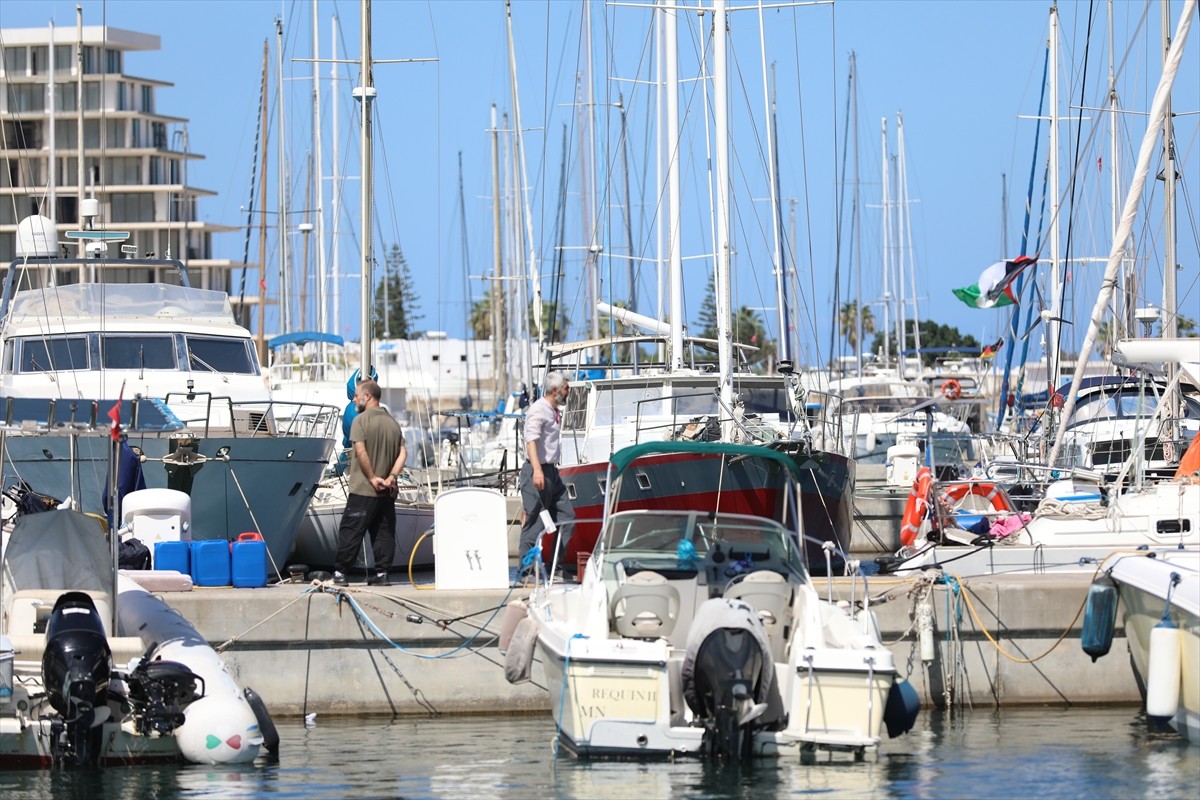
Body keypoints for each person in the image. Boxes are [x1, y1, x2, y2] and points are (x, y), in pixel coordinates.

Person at [333, 379, 406, 587]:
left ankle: (340, 574)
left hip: (364, 489)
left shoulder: (360, 421)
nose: (354, 399)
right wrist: (391, 477)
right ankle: (383, 574)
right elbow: (403, 452)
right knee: (383, 533)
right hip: (387, 492)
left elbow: (360, 451)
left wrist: (373, 478)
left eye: (356, 395)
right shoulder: (392, 423)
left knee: (351, 530)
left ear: (367, 396)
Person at [518, 371, 575, 571]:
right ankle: (525, 572)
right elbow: (531, 440)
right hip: (537, 470)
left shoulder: (554, 410)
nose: (569, 392)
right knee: (534, 523)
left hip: (552, 472)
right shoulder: (538, 410)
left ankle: (554, 566)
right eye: (566, 388)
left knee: (567, 518)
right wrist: (537, 470)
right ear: (555, 390)